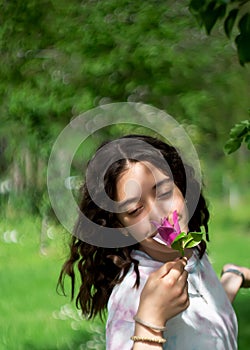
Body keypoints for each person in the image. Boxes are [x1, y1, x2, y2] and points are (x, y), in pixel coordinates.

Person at [58, 134, 250, 349]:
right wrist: (151, 320)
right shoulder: (133, 296)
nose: (158, 213)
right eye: (135, 209)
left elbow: (204, 322)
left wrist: (232, 279)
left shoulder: (192, 255)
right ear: (121, 227)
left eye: (165, 192)